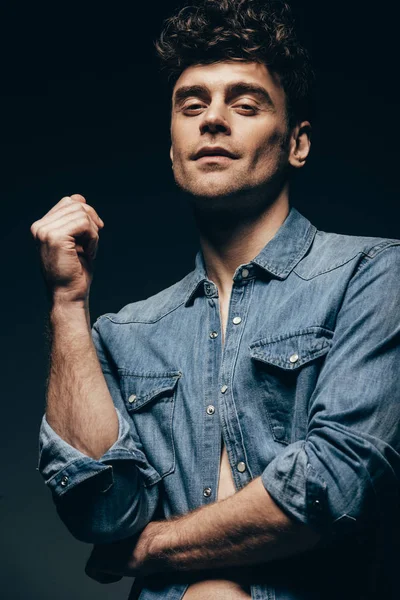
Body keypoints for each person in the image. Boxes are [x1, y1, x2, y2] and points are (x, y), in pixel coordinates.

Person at [31, 1, 400, 599]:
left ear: (298, 144)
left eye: (245, 104)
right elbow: (101, 515)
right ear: (173, 144)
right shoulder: (124, 333)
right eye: (192, 105)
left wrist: (147, 549)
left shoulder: (373, 274)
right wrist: (68, 304)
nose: (212, 121)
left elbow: (336, 481)